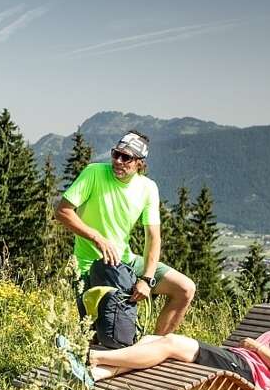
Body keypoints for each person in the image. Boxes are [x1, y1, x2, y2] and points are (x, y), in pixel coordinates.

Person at [62, 283, 270, 388]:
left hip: (248, 371)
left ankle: (90, 355)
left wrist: (257, 348)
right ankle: (95, 376)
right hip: (238, 360)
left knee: (172, 342)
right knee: (152, 341)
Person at [55, 131, 197, 335]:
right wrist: (97, 238)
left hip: (126, 262)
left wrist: (147, 279)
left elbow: (153, 237)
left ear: (139, 162)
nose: (118, 161)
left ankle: (154, 348)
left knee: (185, 289)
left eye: (126, 157)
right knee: (100, 337)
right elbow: (62, 211)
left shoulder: (148, 188)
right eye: (116, 154)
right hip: (89, 268)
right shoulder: (93, 173)